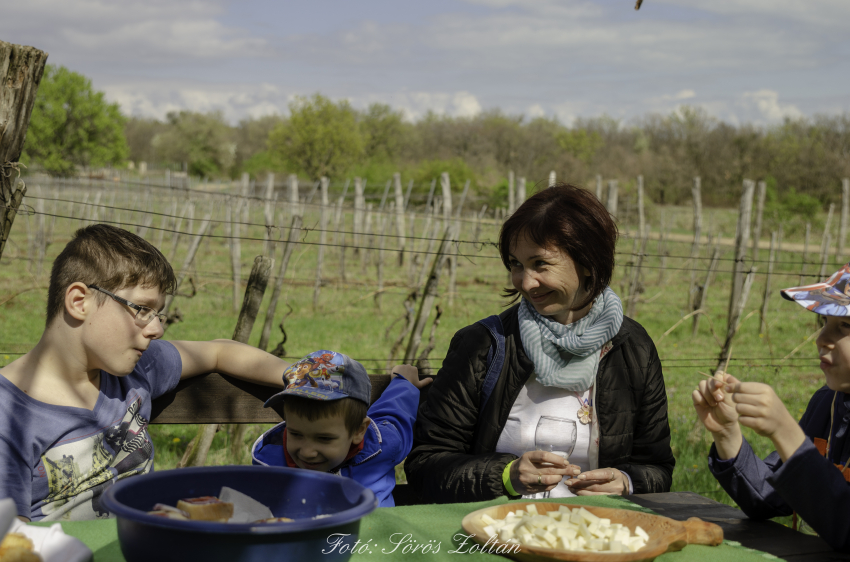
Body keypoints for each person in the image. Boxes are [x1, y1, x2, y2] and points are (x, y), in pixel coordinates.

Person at [0, 224, 291, 522]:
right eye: (141, 309)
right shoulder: (9, 417)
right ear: (79, 302)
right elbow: (13, 542)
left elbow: (219, 351)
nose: (157, 329)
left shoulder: (136, 369)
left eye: (159, 314)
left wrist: (302, 374)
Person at [405, 183, 675, 503]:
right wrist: (505, 476)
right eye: (516, 264)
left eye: (540, 264)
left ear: (588, 262)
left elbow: (657, 468)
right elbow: (426, 466)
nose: (526, 282)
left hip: (595, 533)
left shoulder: (634, 349)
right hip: (494, 531)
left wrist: (628, 481)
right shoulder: (482, 346)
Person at [693, 264, 850, 552]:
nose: (822, 339)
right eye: (823, 323)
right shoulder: (826, 403)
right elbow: (770, 495)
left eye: (845, 326)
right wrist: (727, 433)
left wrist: (786, 431)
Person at [251, 350, 431, 507]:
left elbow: (394, 413)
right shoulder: (271, 465)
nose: (307, 452)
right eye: (296, 434)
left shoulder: (384, 445)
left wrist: (404, 382)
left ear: (359, 431)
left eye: (324, 438)